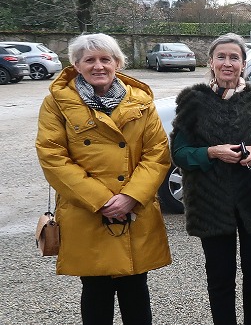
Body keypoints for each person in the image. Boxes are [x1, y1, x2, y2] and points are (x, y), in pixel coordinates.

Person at [36, 33, 171, 324]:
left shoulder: (142, 102)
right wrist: (102, 201)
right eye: (90, 60)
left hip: (134, 211)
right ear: (76, 65)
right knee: (95, 290)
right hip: (87, 211)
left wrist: (130, 197)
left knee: (136, 289)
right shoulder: (57, 103)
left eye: (105, 59)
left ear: (117, 63)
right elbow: (52, 156)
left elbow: (157, 153)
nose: (98, 66)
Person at [170, 33, 251, 325]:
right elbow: (179, 153)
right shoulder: (193, 100)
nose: (228, 63)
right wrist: (211, 152)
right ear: (211, 62)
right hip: (211, 202)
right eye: (221, 57)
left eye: (234, 57)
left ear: (243, 64)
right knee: (220, 277)